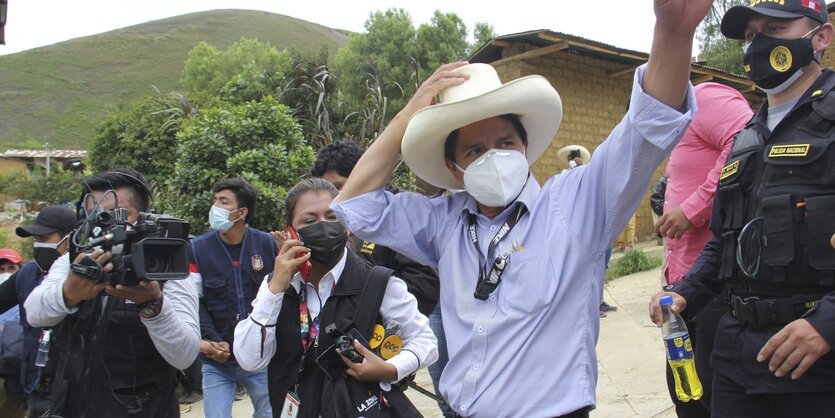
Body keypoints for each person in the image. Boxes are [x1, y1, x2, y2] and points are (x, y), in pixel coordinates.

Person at [331, 0, 710, 415]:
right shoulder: (443, 220)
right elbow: (356, 206)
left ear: (525, 147)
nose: (493, 156)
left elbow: (647, 126)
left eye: (505, 143)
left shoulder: (576, 205)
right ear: (454, 170)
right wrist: (407, 117)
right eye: (474, 150)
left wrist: (673, 32)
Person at [649, 1, 835, 416]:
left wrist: (827, 324)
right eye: (752, 35)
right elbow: (724, 244)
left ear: (820, 38)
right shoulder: (746, 138)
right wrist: (684, 293)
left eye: (776, 28)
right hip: (736, 356)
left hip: (817, 364)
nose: (759, 44)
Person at [233, 178, 438, 416]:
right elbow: (249, 360)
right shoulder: (276, 287)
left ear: (347, 224)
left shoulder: (376, 281)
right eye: (309, 220)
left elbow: (425, 341)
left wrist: (389, 369)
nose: (323, 225)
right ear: (290, 230)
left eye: (332, 217)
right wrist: (275, 288)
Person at [24, 168, 200, 418]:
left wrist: (153, 305)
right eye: (94, 217)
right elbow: (34, 313)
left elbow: (185, 356)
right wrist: (68, 293)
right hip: (72, 406)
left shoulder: (165, 264)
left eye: (116, 215)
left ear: (142, 217)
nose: (103, 227)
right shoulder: (74, 260)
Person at [309, 140, 449, 414]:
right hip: (337, 360)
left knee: (448, 398)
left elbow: (425, 280)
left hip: (383, 347)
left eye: (339, 187)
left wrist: (383, 328)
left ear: (364, 176)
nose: (335, 199)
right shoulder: (327, 229)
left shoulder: (389, 217)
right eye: (329, 189)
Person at [654, 82, 752, 417]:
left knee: (711, 395)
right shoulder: (679, 126)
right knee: (687, 394)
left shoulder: (706, 98)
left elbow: (747, 141)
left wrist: (694, 207)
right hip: (683, 286)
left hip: (714, 279)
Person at [190, 178, 274, 418]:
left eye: (223, 201)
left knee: (268, 414)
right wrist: (212, 341)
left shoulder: (266, 244)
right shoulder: (197, 248)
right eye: (214, 200)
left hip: (260, 359)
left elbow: (277, 298)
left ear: (241, 212)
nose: (214, 206)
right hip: (217, 360)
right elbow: (196, 302)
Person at [0, 206, 77, 418]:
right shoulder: (28, 272)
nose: (38, 244)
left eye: (45, 237)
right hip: (35, 386)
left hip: (73, 390)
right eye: (36, 239)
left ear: (70, 238)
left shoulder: (84, 276)